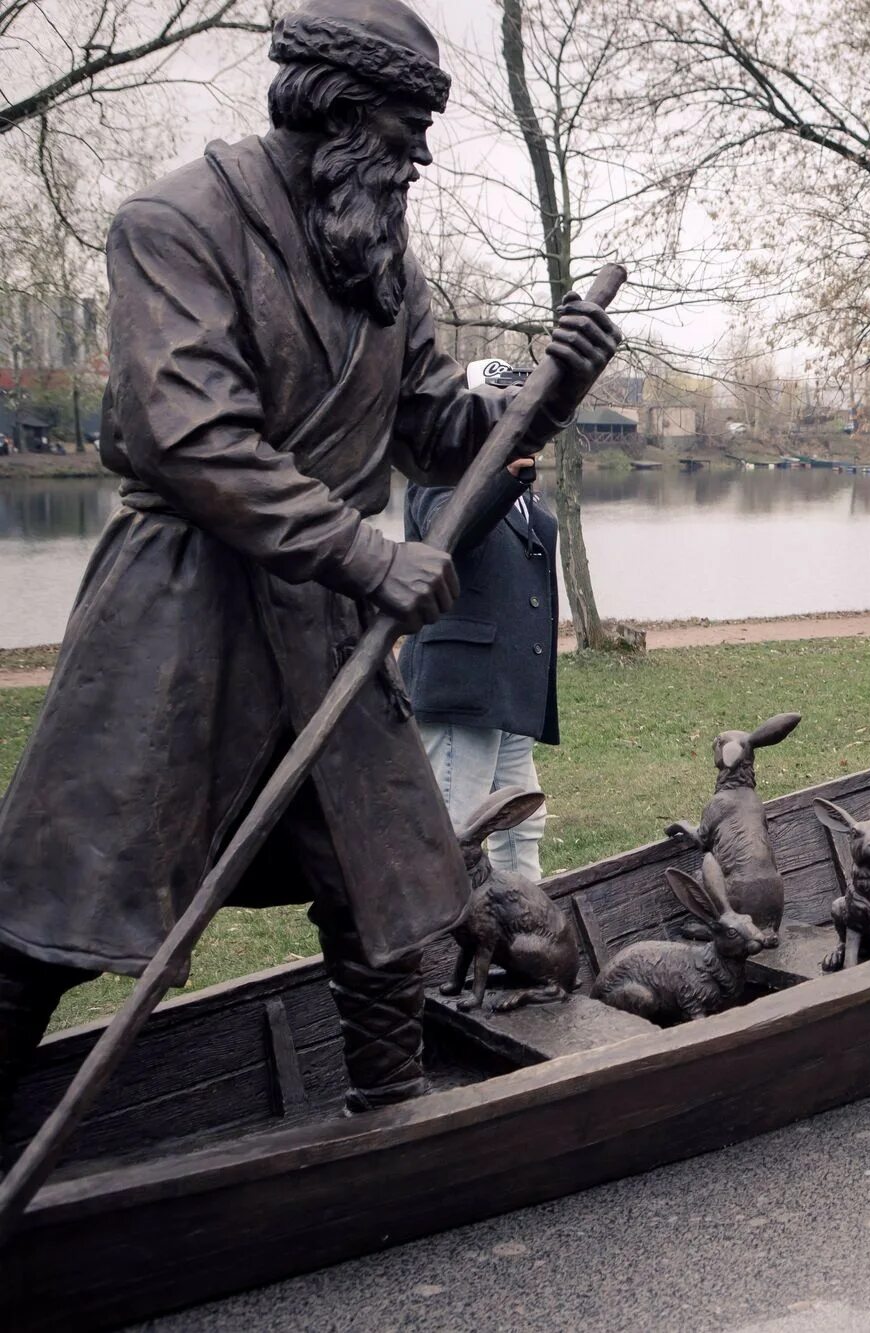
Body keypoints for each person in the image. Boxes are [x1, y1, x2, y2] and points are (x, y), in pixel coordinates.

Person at [0, 0, 621, 1124]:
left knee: (386, 886)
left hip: (328, 623)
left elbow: (437, 433)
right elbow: (192, 437)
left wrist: (555, 386)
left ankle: (388, 1117)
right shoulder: (174, 224)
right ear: (333, 110)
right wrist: (360, 553)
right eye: (403, 127)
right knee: (66, 899)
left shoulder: (376, 251)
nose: (420, 156)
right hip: (181, 614)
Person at [401, 452, 560, 880]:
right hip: (462, 687)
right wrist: (502, 477)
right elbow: (449, 535)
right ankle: (438, 944)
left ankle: (527, 929)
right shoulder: (440, 471)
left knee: (522, 825)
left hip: (511, 688)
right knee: (457, 829)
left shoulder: (525, 484)